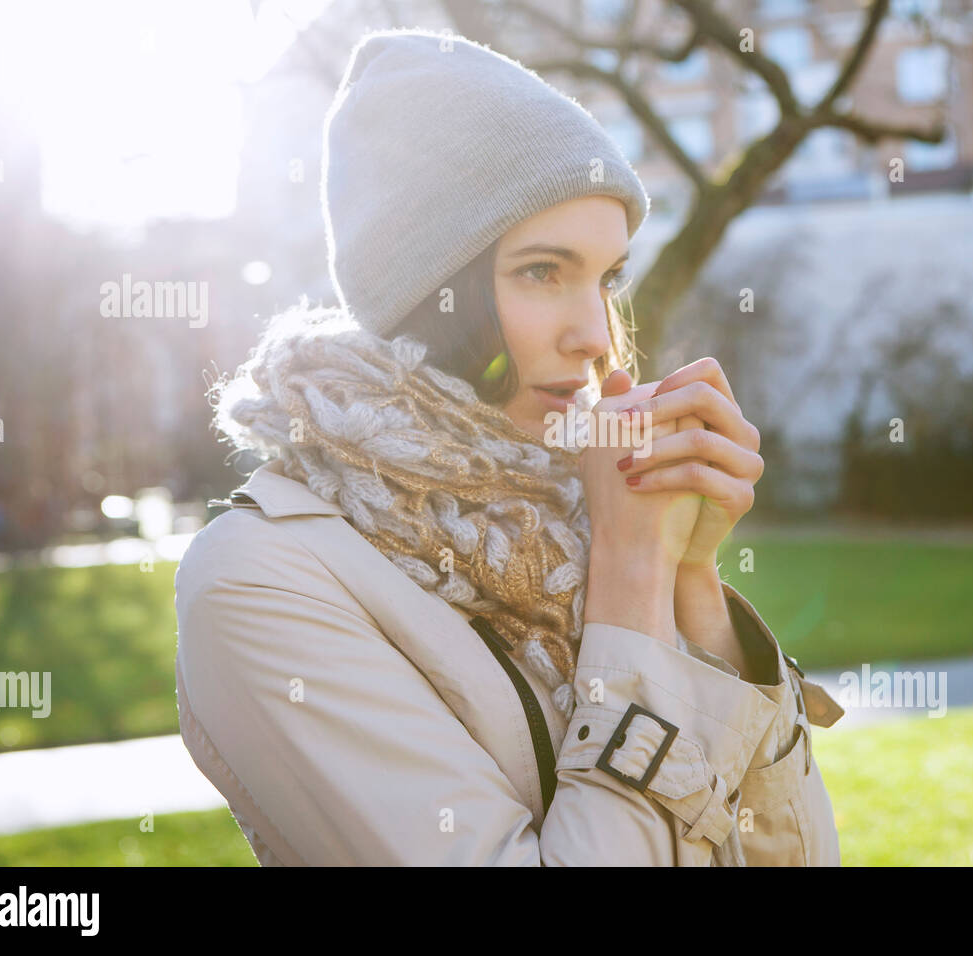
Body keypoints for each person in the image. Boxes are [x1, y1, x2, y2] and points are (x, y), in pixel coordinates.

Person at [174, 27, 842, 866]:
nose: (597, 337)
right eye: (541, 272)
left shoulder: (591, 507)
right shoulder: (260, 582)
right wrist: (633, 575)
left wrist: (690, 584)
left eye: (607, 278)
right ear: (429, 293)